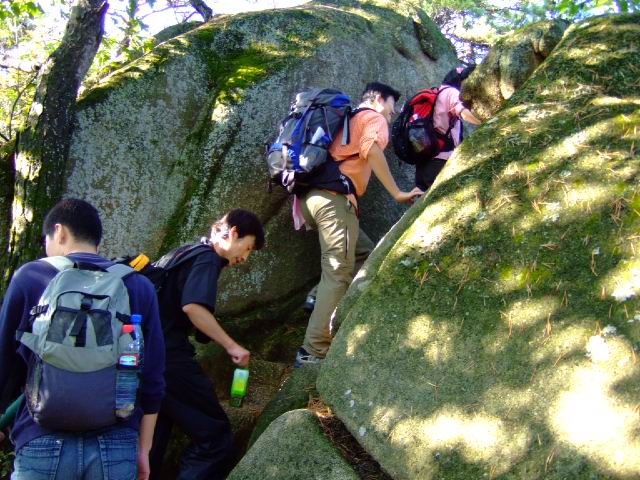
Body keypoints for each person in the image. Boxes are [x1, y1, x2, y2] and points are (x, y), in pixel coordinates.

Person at [0, 198, 166, 480]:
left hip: (41, 437)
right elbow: (153, 377)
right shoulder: (138, 285)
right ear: (97, 242)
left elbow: (4, 359)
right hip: (115, 443)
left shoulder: (31, 277)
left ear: (59, 231)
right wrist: (144, 448)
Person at [294, 82, 424, 367]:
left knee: (365, 255)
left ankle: (316, 298)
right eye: (391, 107)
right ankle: (313, 351)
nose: (392, 114)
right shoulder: (373, 118)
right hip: (335, 201)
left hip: (310, 201)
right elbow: (371, 149)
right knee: (338, 272)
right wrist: (397, 192)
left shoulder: (346, 119)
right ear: (378, 99)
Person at [149, 209, 265, 480]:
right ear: (233, 234)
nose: (245, 258)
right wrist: (232, 346)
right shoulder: (207, 258)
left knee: (154, 437)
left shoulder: (184, 252)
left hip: (145, 356)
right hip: (169, 359)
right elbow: (193, 307)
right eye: (248, 248)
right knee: (215, 435)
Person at [415, 65, 482, 191]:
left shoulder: (438, 93)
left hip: (423, 161)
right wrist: (483, 123)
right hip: (440, 160)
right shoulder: (452, 92)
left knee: (422, 198)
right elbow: (463, 113)